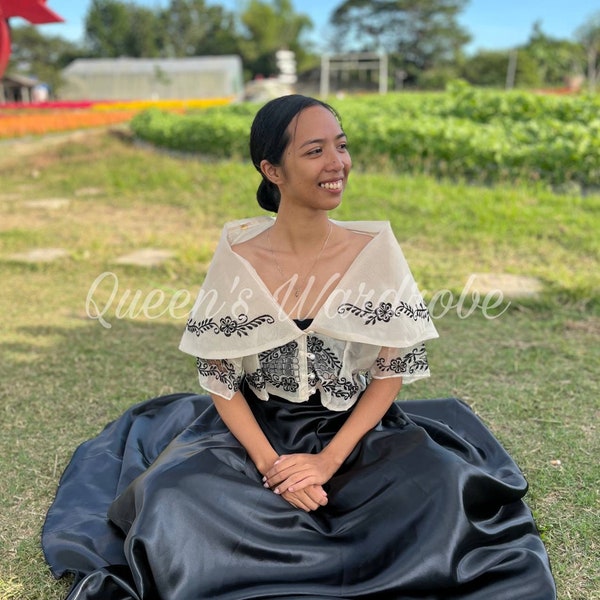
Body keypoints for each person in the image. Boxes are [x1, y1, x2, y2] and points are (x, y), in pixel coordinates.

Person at [42, 95, 557, 599]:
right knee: (174, 500)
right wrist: (275, 469)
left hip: (354, 427)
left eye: (342, 146)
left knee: (441, 491)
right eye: (315, 151)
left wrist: (328, 461)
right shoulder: (238, 255)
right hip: (256, 429)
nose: (337, 164)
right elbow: (220, 380)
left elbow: (389, 371)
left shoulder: (374, 251)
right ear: (272, 169)